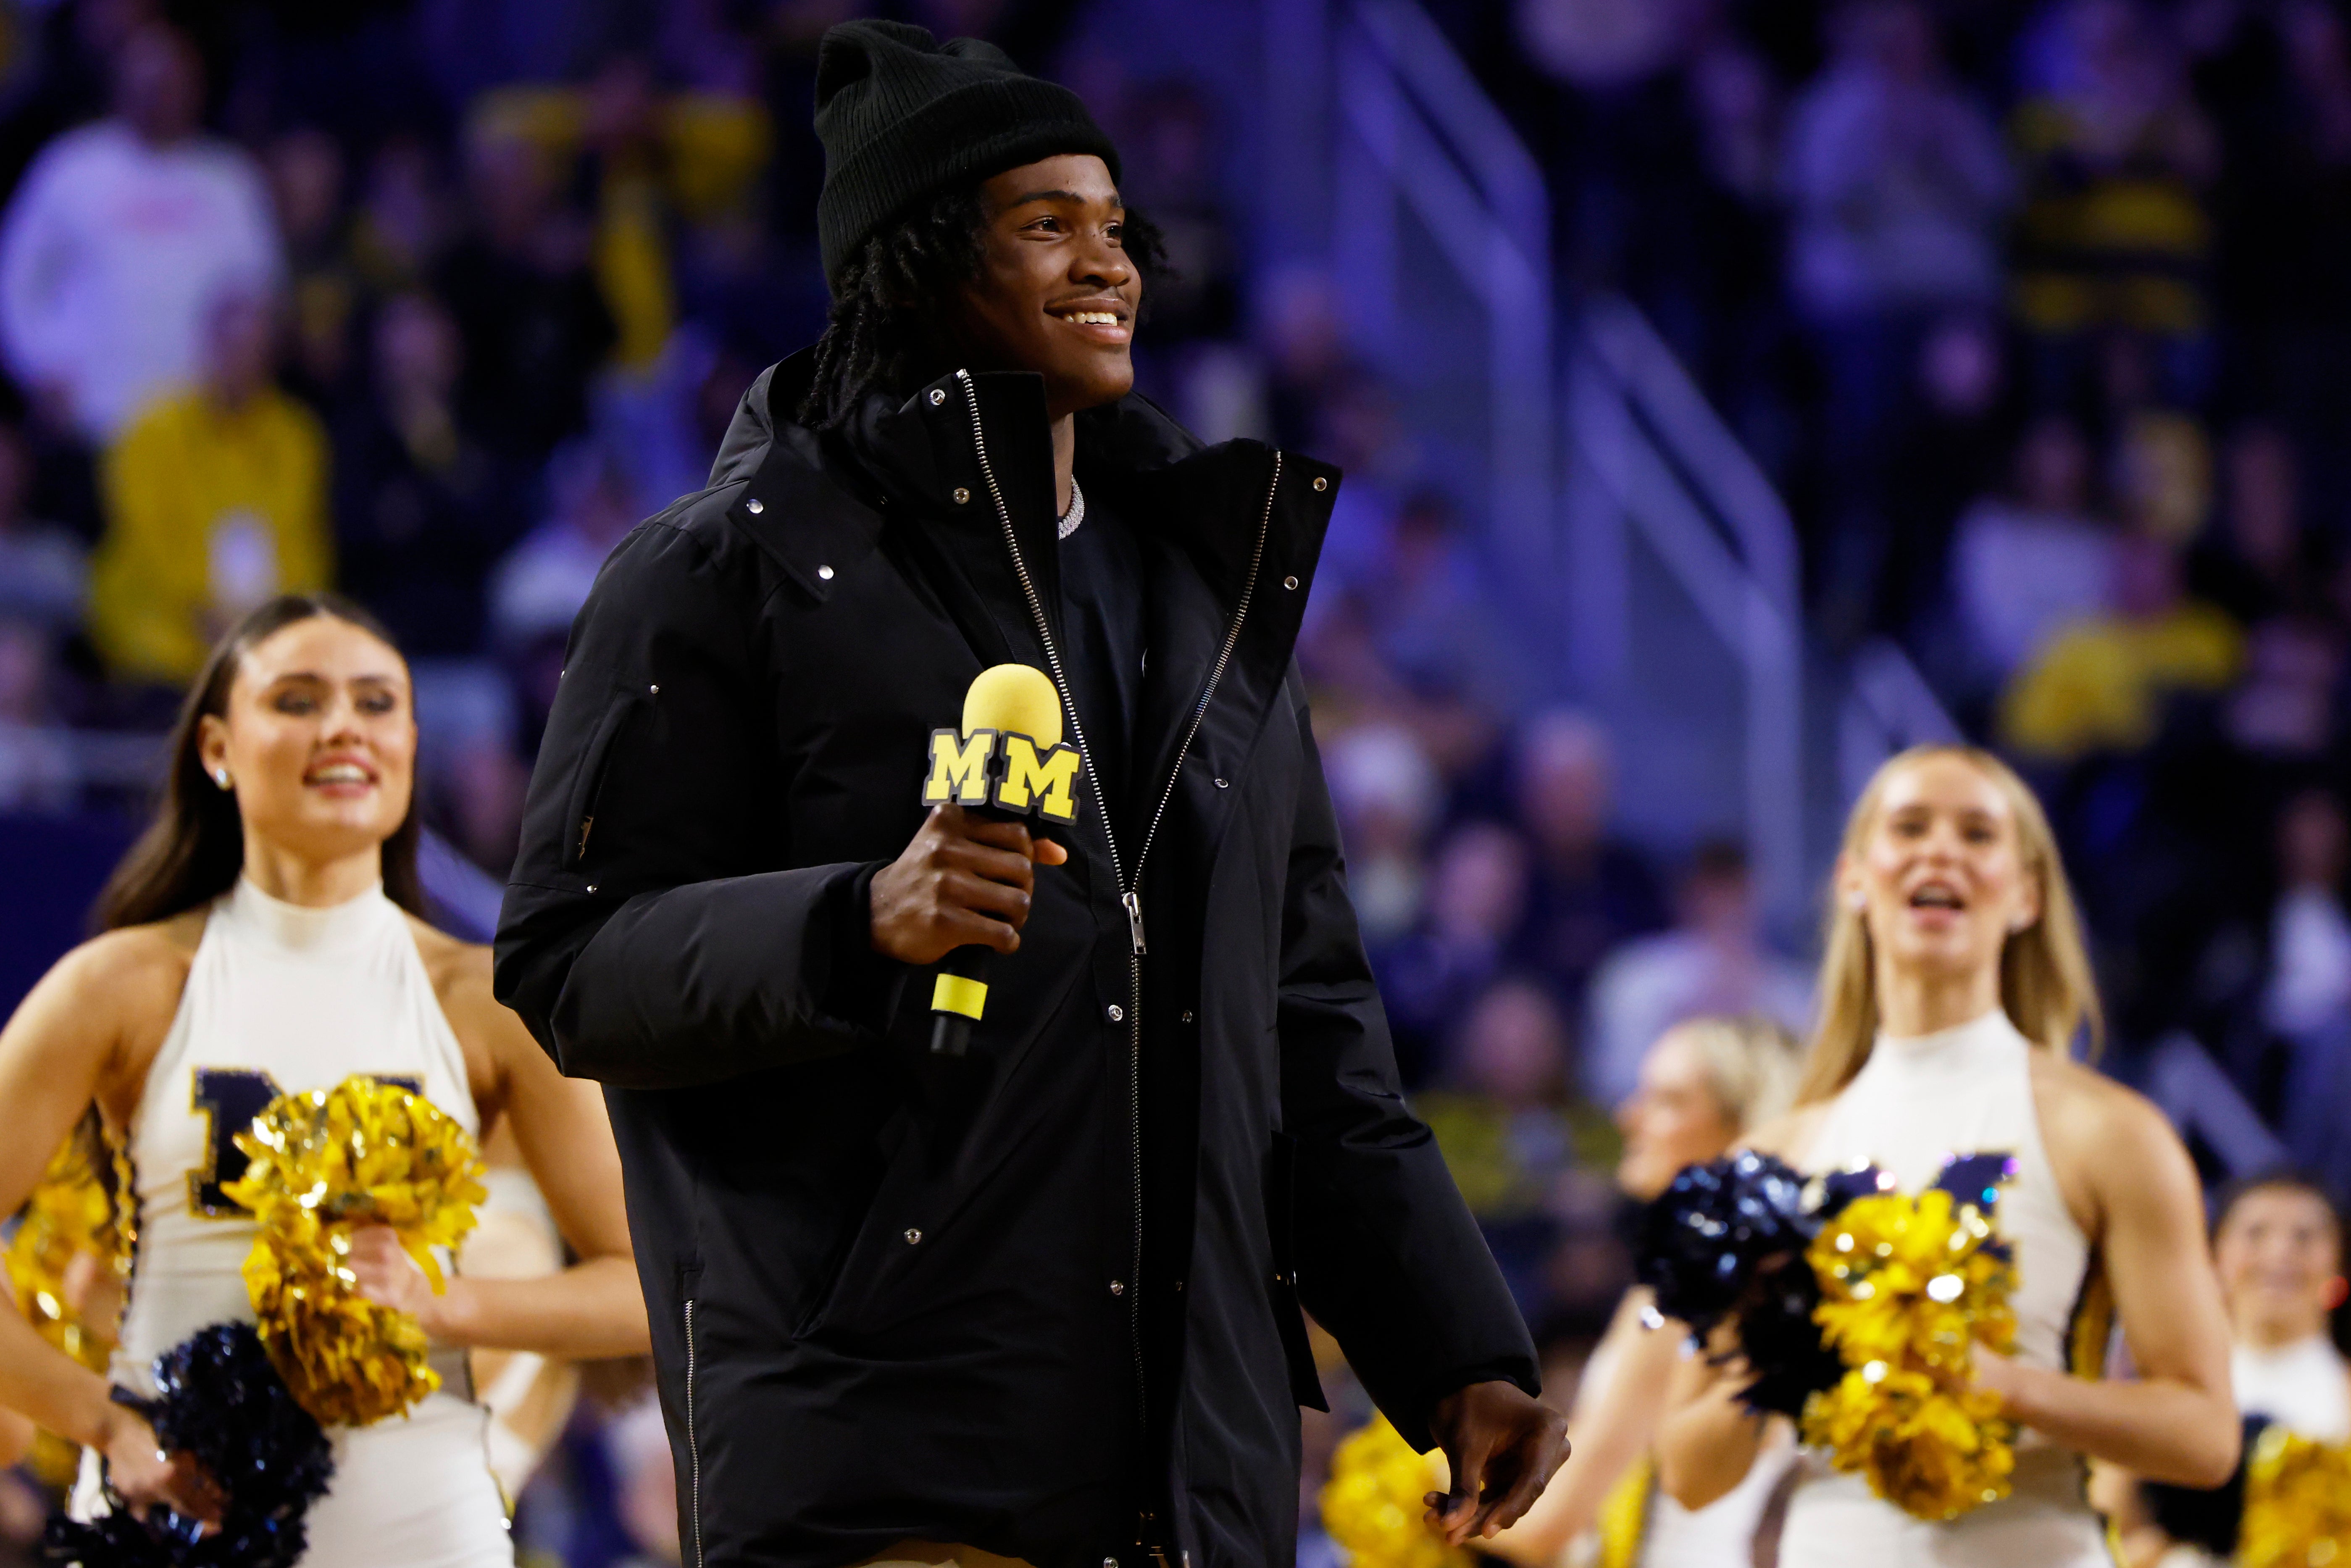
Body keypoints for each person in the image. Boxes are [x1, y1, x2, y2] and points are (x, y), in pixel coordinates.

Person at [494, 21, 1565, 1568]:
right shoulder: (719, 569)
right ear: (912, 260)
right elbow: (569, 960)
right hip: (883, 1456)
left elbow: (1308, 1022)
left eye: (1115, 228)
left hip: (1187, 1477)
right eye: (1044, 225)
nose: (1105, 263)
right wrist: (853, 923)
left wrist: (1450, 1345)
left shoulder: (1204, 597)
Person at [0, 593, 650, 1565]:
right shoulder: (120, 987)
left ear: (411, 748)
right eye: (297, 700)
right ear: (217, 748)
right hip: (172, 1528)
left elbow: (641, 1283)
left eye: (377, 703)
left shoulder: (487, 1000)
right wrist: (106, 1423)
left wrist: (448, 1306)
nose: (343, 724)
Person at [1653, 745, 2238, 1565]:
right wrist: (1789, 1361)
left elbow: (2206, 1437)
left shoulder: (2108, 1132)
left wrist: (2006, 1388)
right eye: (1909, 827)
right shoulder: (1770, 1158)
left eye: (1976, 834)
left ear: (2025, 894)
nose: (1939, 851)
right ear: (1853, 877)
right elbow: (1684, 1471)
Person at [1487, 1016, 1804, 1568]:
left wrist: (1409, 1483)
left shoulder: (1682, 1300)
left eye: (1668, 1100)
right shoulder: (1764, 1280)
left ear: (1743, 1126)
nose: (1628, 1116)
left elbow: (1548, 1522)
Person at [0, 23, 281, 445]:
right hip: (91, 421)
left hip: (199, 430)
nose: (159, 93)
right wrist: (38, 369)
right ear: (120, 82)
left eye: (172, 81)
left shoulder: (230, 180)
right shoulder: (71, 166)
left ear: (197, 87)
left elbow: (260, 292)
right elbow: (16, 279)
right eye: (147, 79)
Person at [2094, 1173, 2351, 1567]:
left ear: (2338, 1263)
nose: (2280, 1252)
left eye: (2305, 1237)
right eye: (2256, 1233)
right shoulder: (2163, 1388)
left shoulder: (2344, 1392)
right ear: (2216, 1257)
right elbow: (2101, 1531)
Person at [87, 287, 334, 687]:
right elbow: (150, 536)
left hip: (263, 637)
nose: (240, 362)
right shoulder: (151, 429)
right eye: (231, 346)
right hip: (166, 632)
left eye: (254, 350)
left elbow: (301, 539)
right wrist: (204, 610)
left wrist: (271, 625)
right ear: (207, 345)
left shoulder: (296, 437)